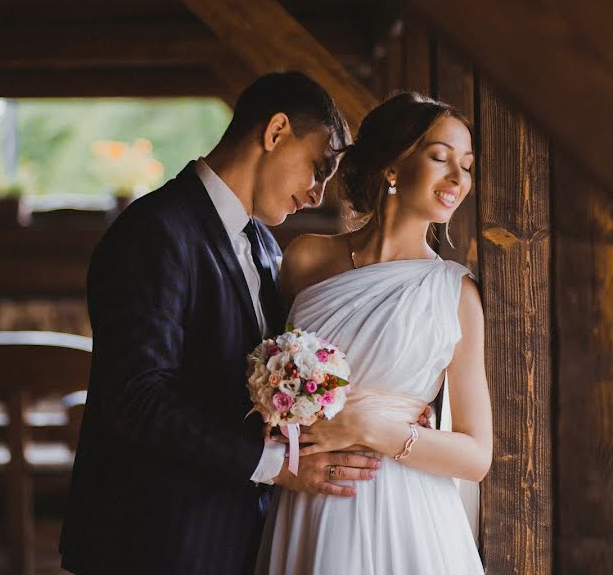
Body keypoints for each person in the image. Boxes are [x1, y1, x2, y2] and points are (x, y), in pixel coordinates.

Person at [59, 72, 388, 575]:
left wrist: (385, 409)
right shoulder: (155, 232)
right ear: (276, 131)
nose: (318, 195)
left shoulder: (263, 247)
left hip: (233, 539)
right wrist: (278, 467)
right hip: (150, 544)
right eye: (318, 168)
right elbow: (138, 400)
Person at [256, 91, 491, 574]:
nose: (457, 179)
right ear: (391, 167)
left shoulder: (455, 294)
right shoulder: (305, 259)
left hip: (408, 508)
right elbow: (262, 375)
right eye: (440, 158)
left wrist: (371, 428)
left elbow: (476, 455)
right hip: (310, 496)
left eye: (466, 166)